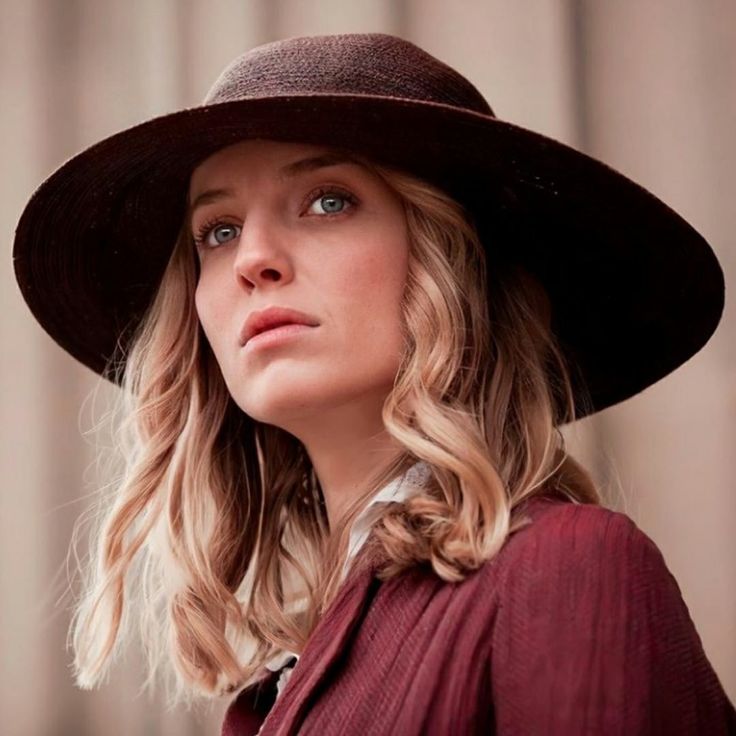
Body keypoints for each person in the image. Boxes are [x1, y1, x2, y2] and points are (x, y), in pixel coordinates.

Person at [13, 32, 735, 735]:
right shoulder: (280, 675)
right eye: (218, 230)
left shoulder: (569, 568)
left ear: (452, 266)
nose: (252, 258)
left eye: (328, 200)